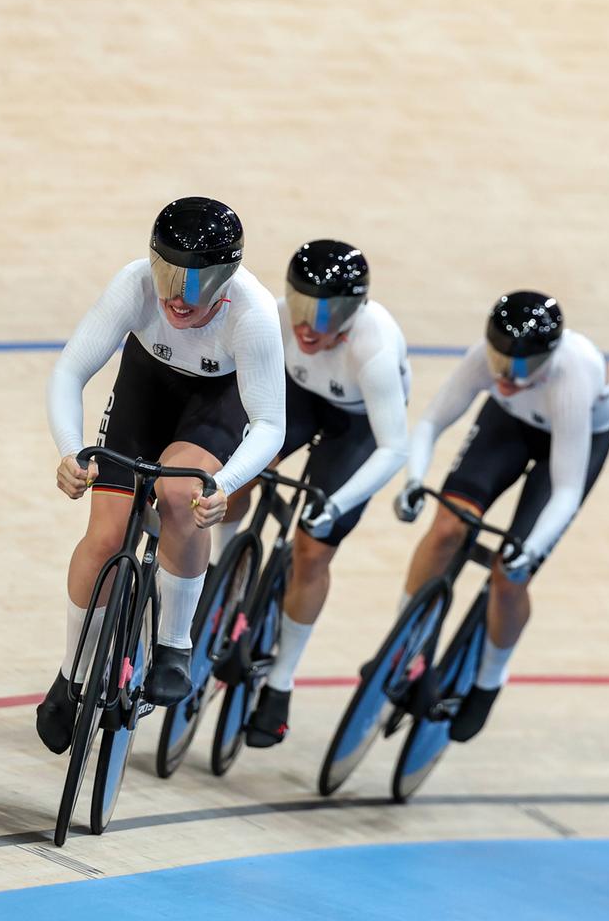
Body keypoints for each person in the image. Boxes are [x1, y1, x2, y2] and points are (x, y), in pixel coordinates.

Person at [35, 196, 286, 754]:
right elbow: (70, 369)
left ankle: (174, 644)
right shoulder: (133, 284)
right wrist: (72, 451)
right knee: (103, 537)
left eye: (198, 282)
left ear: (228, 277)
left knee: (180, 494)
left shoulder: (254, 312)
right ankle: (70, 674)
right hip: (146, 389)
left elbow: (269, 423)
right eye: (168, 275)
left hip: (215, 405)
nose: (179, 296)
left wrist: (223, 484)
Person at [393, 290, 609, 741]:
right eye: (500, 363)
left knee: (509, 577)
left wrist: (529, 552)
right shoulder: (486, 359)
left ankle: (489, 681)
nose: (508, 376)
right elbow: (431, 423)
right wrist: (415, 480)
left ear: (548, 358)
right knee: (447, 526)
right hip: (510, 425)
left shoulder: (572, 374)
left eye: (522, 368)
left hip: (573, 439)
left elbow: (567, 488)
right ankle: (401, 648)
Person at [225, 239, 411, 747]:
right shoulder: (275, 316)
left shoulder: (373, 348)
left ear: (353, 313)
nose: (307, 325)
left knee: (312, 549)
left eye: (325, 315)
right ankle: (214, 584)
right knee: (242, 472)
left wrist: (336, 503)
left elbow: (395, 448)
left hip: (357, 426)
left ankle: (280, 684)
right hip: (299, 394)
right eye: (302, 306)